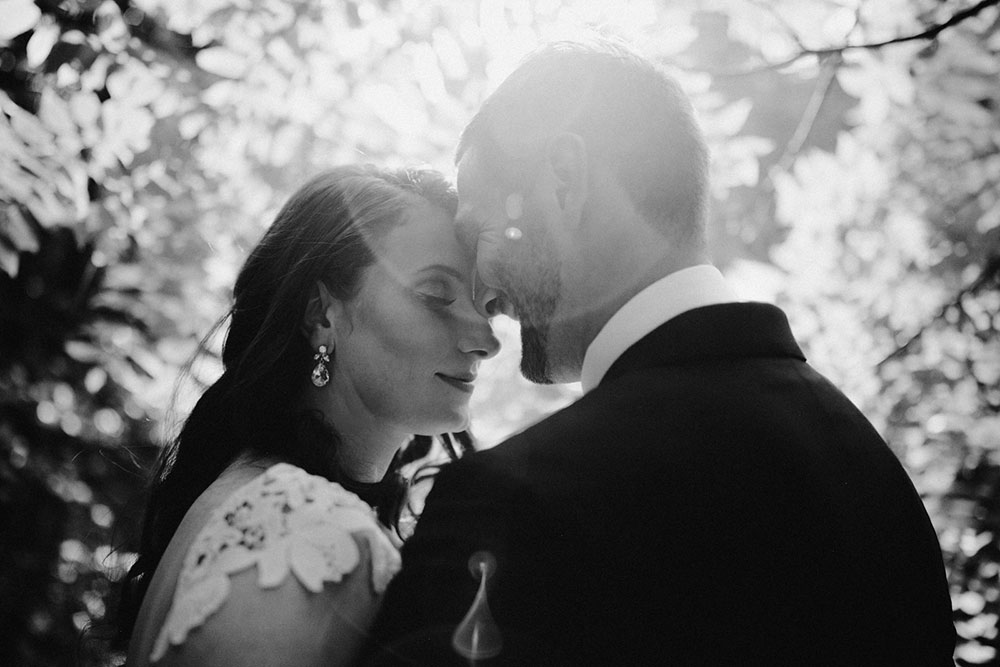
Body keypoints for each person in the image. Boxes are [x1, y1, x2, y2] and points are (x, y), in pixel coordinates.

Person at [368, 40, 957, 665]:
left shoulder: (516, 510)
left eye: (480, 231)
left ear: (565, 180)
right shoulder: (876, 479)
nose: (482, 294)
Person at [117, 165, 500, 666]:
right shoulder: (310, 531)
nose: (487, 340)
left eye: (487, 305)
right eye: (434, 295)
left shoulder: (254, 490)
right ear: (321, 314)